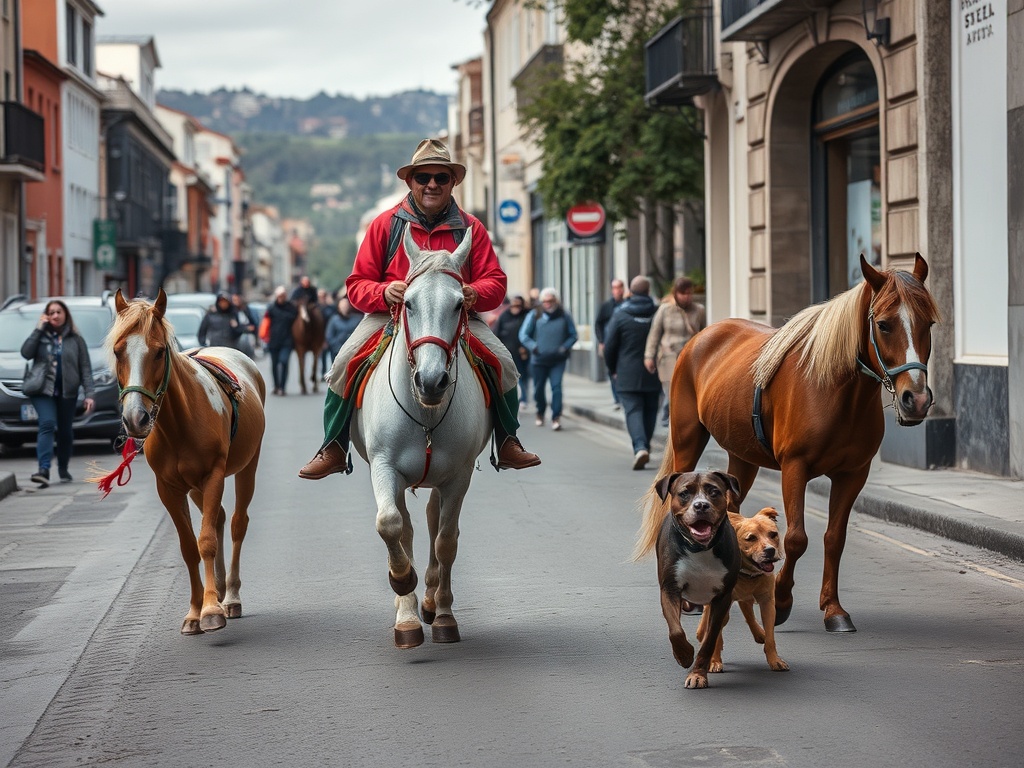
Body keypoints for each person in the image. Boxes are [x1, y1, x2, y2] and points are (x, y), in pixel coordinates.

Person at [298, 137, 540, 478]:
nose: (431, 184)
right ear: (410, 181)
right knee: (341, 365)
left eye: (441, 178)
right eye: (423, 177)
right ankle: (334, 446)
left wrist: (472, 293)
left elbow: (496, 282)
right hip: (391, 315)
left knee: (505, 364)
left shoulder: (472, 229)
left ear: (453, 182)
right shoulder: (385, 225)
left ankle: (507, 441)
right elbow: (356, 285)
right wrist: (385, 292)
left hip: (454, 316)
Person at [20, 300, 96, 487]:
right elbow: (26, 353)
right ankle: (43, 470)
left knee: (65, 432)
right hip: (42, 391)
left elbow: (85, 368)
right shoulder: (40, 336)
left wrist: (89, 394)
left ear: (65, 314)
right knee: (47, 423)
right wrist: (38, 329)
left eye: (58, 312)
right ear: (46, 315)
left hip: (67, 393)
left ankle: (63, 467)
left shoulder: (76, 339)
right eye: (51, 312)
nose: (55, 315)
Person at [604, 276, 662, 470]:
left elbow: (610, 345)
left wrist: (612, 369)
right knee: (651, 408)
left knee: (633, 410)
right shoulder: (657, 312)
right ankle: (645, 444)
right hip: (654, 369)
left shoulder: (621, 315)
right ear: (648, 291)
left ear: (631, 291)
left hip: (626, 371)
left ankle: (640, 446)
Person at [645, 275, 707, 426]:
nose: (687, 297)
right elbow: (655, 333)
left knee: (687, 388)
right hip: (668, 355)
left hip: (690, 355)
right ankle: (669, 412)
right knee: (672, 386)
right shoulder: (665, 310)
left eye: (689, 293)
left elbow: (704, 333)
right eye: (683, 293)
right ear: (675, 293)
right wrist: (649, 356)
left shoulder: (699, 310)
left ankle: (682, 416)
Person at [519, 287, 578, 432]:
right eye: (544, 301)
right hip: (539, 360)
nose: (547, 304)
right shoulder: (535, 314)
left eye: (550, 301)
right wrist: (534, 347)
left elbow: (573, 335)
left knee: (556, 387)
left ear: (556, 301)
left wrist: (564, 347)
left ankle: (556, 417)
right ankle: (540, 412)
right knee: (538, 389)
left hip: (558, 359)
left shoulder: (564, 315)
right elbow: (523, 335)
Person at [493, 295, 531, 405]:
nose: (516, 308)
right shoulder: (504, 316)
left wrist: (526, 348)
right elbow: (496, 333)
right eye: (514, 305)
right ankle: (511, 398)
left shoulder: (526, 316)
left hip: (522, 352)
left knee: (522, 375)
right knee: (509, 376)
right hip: (507, 351)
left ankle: (523, 398)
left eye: (518, 305)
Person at [595, 278, 626, 409]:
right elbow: (598, 324)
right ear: (611, 290)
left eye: (620, 287)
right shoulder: (606, 306)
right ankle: (617, 399)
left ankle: (623, 396)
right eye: (615, 288)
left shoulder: (627, 304)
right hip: (609, 344)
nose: (617, 290)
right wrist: (601, 341)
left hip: (624, 344)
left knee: (623, 370)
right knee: (612, 370)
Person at [265, 286, 298, 395]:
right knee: (274, 364)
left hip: (287, 341)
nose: (281, 298)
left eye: (283, 296)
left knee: (284, 362)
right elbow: (266, 322)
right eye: (279, 296)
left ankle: (282, 387)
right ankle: (276, 386)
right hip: (274, 340)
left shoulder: (291, 308)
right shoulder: (271, 308)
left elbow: (294, 318)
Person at [325, 294, 362, 360]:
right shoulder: (334, 320)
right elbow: (329, 336)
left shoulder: (357, 319)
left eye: (346, 305)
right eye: (342, 305)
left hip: (352, 351)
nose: (344, 307)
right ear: (339, 307)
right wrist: (336, 346)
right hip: (337, 351)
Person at [231, 293, 259, 358]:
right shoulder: (232, 313)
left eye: (238, 300)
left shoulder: (246, 309)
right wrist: (245, 328)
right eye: (234, 300)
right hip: (237, 340)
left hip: (249, 338)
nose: (237, 302)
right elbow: (235, 328)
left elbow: (253, 324)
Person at [318, 288, 337, 378]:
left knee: (333, 353)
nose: (322, 298)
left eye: (324, 296)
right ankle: (323, 372)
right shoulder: (317, 309)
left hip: (331, 334)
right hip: (321, 335)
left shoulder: (331, 308)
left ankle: (333, 371)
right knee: (323, 355)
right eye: (320, 297)